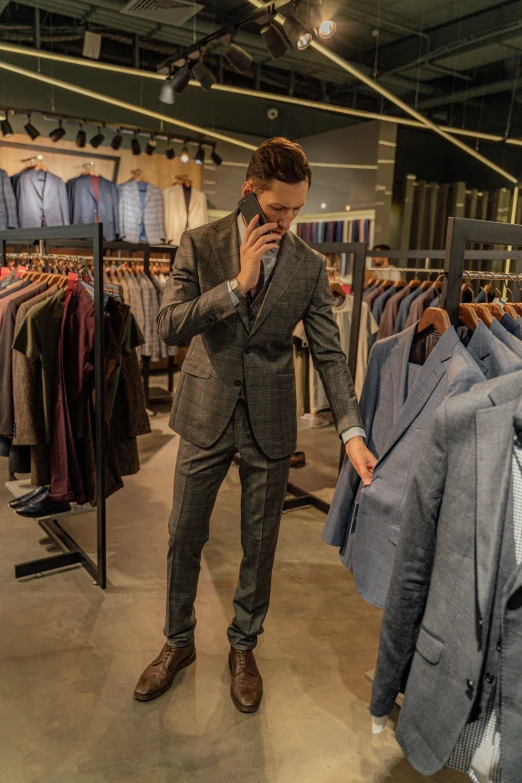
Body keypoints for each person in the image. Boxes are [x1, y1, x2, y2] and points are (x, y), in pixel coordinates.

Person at [133, 137, 376, 713]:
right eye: (276, 210)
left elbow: (330, 353)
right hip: (204, 409)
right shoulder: (202, 243)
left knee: (259, 543)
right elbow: (169, 325)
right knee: (183, 535)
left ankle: (244, 645)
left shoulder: (309, 267)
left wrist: (351, 430)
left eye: (298, 209)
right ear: (249, 191)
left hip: (269, 417)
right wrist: (237, 285)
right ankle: (177, 641)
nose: (288, 221)